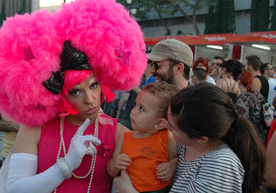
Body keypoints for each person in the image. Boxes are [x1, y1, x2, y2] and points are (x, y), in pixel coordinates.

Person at [0, 0, 146, 193]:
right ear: (60, 95)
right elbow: (15, 189)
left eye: (93, 85)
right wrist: (65, 166)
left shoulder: (119, 133)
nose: (90, 99)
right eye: (76, 91)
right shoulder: (35, 130)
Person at [113, 83, 266, 193]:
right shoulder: (184, 145)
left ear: (201, 138)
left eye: (173, 127)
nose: (166, 127)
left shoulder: (220, 165)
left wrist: (129, 191)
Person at [107, 82, 178, 193]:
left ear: (159, 123)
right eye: (135, 105)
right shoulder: (125, 137)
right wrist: (115, 164)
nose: (133, 111)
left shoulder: (166, 138)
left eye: (141, 109)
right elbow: (111, 170)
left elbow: (175, 158)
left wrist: (171, 166)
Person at [235, 71, 268, 143]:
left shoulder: (244, 98)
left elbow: (242, 119)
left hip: (250, 137)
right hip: (262, 134)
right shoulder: (258, 94)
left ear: (239, 82)